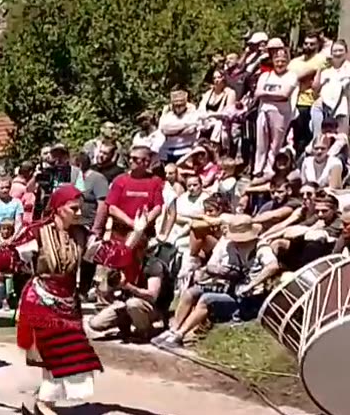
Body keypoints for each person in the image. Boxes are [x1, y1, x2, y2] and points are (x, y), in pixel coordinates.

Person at [2, 186, 143, 415]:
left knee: (70, 353)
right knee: (54, 353)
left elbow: (110, 255)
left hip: (68, 300)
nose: (79, 213)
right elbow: (10, 258)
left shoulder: (81, 235)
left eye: (80, 208)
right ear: (58, 209)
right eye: (74, 208)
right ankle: (44, 403)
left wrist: (137, 232)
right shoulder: (36, 233)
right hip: (41, 300)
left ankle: (37, 400)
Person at [155, 216, 281, 348]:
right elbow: (222, 268)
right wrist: (216, 271)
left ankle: (180, 334)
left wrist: (252, 284)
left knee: (206, 299)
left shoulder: (261, 248)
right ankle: (174, 329)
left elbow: (273, 266)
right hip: (231, 288)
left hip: (249, 298)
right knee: (191, 292)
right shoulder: (230, 246)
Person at [88, 240, 174, 343]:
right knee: (95, 323)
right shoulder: (123, 265)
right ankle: (125, 329)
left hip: (153, 307)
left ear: (141, 250)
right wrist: (108, 289)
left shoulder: (153, 265)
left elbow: (152, 296)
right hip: (127, 304)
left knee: (132, 304)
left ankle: (144, 332)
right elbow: (107, 293)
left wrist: (128, 287)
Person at [99, 146, 165, 242]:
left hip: (145, 234)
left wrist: (143, 223)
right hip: (120, 233)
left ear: (146, 162)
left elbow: (158, 207)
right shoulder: (120, 180)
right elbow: (112, 208)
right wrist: (131, 223)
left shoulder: (155, 182)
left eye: (135, 159)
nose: (130, 161)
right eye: (129, 158)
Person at [254, 48, 299, 180]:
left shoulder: (291, 76)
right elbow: (257, 94)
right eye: (277, 60)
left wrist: (266, 95)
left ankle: (270, 169)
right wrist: (274, 96)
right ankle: (258, 170)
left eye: (283, 61)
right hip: (263, 111)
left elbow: (285, 94)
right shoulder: (265, 76)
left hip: (281, 113)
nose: (280, 64)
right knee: (261, 142)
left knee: (276, 144)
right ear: (273, 61)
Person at [290, 34, 329, 158]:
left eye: (312, 44)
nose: (308, 46)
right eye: (306, 43)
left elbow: (299, 76)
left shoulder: (321, 59)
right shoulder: (295, 61)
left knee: (307, 137)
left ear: (318, 45)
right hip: (294, 101)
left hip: (310, 102)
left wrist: (298, 77)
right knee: (296, 136)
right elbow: (289, 77)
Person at [312, 39, 350, 146]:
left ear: (346, 52)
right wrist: (319, 69)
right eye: (335, 51)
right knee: (319, 139)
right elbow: (315, 88)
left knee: (341, 140)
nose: (337, 53)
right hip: (323, 108)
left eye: (340, 50)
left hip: (342, 110)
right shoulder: (326, 71)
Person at [157, 90, 201, 163]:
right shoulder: (167, 115)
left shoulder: (192, 113)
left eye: (181, 104)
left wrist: (172, 131)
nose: (178, 107)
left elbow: (192, 128)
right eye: (176, 105)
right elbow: (163, 128)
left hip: (187, 150)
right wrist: (184, 127)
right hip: (168, 150)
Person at [199, 69, 238, 147]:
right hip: (206, 122)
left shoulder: (230, 93)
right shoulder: (208, 93)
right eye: (214, 78)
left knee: (219, 125)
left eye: (219, 77)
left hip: (221, 123)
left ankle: (216, 147)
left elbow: (228, 113)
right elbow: (201, 108)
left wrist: (212, 115)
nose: (216, 80)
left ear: (224, 78)